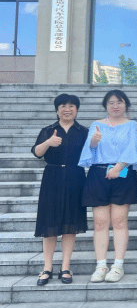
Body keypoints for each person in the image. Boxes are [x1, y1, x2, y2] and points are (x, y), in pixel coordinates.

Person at [79, 90, 137, 283]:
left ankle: (118, 265)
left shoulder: (132, 125)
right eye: (111, 102)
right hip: (98, 174)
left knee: (119, 221)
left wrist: (118, 167)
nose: (115, 106)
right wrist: (94, 141)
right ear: (105, 105)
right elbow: (90, 150)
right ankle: (101, 265)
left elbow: (133, 147)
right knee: (100, 222)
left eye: (119, 102)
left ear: (126, 105)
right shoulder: (97, 125)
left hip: (123, 173)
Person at [32, 94, 88, 286]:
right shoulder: (48, 130)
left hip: (75, 177)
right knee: (49, 225)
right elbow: (37, 152)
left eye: (72, 106)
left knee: (70, 225)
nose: (67, 109)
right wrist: (48, 143)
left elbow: (93, 154)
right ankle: (47, 267)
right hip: (52, 178)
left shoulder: (84, 131)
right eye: (63, 105)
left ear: (77, 109)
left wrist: (95, 142)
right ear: (57, 109)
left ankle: (65, 267)